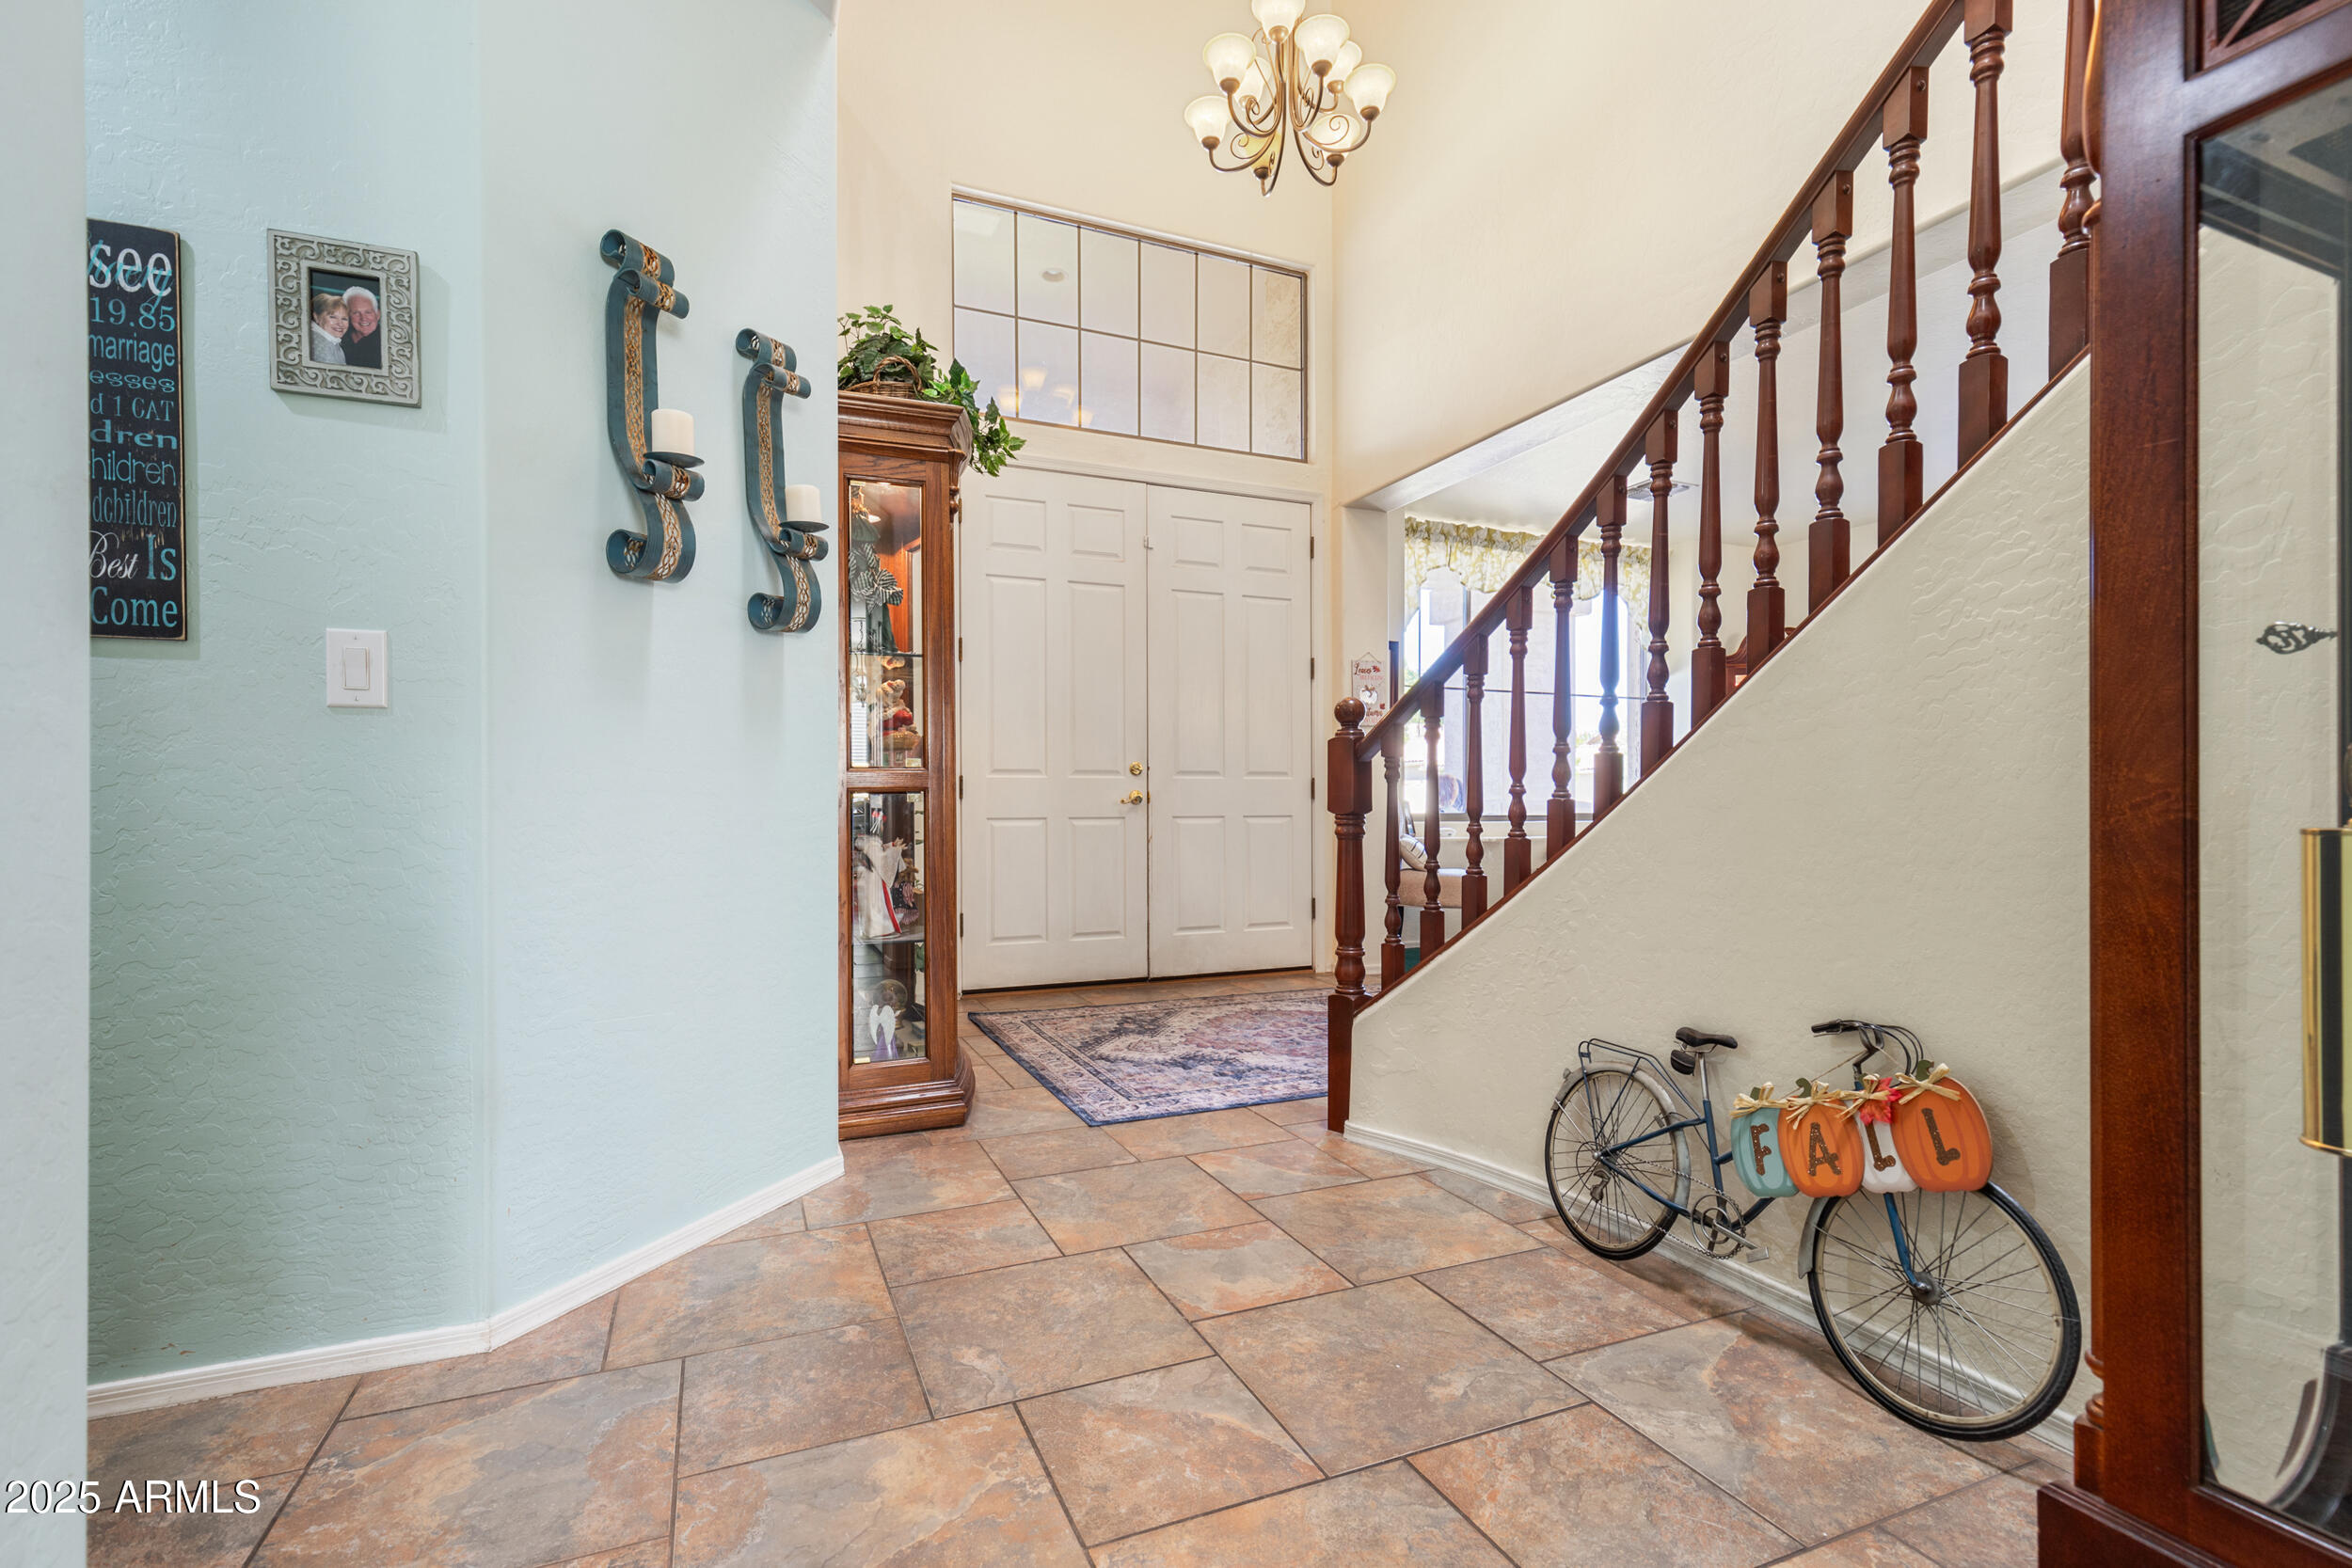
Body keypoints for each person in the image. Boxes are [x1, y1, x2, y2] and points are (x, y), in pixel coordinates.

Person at [341, 285, 382, 369]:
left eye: (368, 312)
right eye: (356, 313)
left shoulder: (388, 343)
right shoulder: (338, 338)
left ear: (378, 314)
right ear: (346, 315)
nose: (363, 318)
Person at [308, 292, 348, 365]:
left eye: (344, 319)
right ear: (316, 317)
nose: (340, 323)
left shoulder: (333, 342)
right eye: (333, 317)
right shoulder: (319, 345)